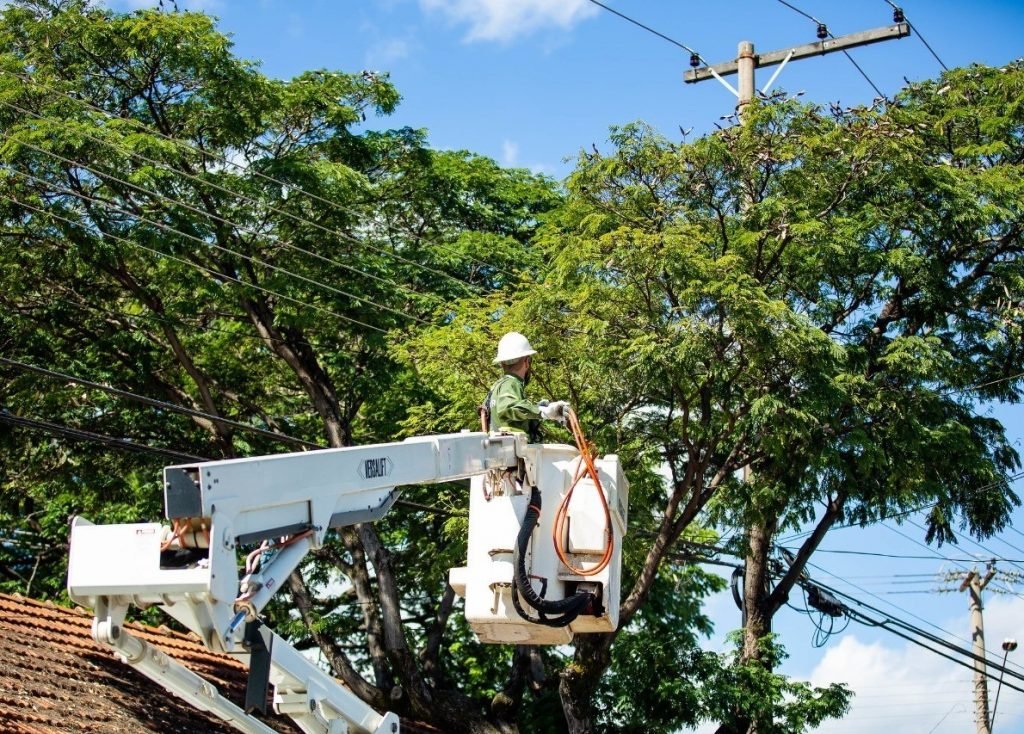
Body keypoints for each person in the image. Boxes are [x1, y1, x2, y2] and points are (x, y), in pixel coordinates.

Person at [484, 332, 568, 442]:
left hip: (504, 448)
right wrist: (542, 411)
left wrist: (537, 408)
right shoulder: (511, 383)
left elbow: (509, 415)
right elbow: (508, 407)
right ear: (527, 362)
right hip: (513, 450)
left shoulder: (497, 386)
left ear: (502, 363)